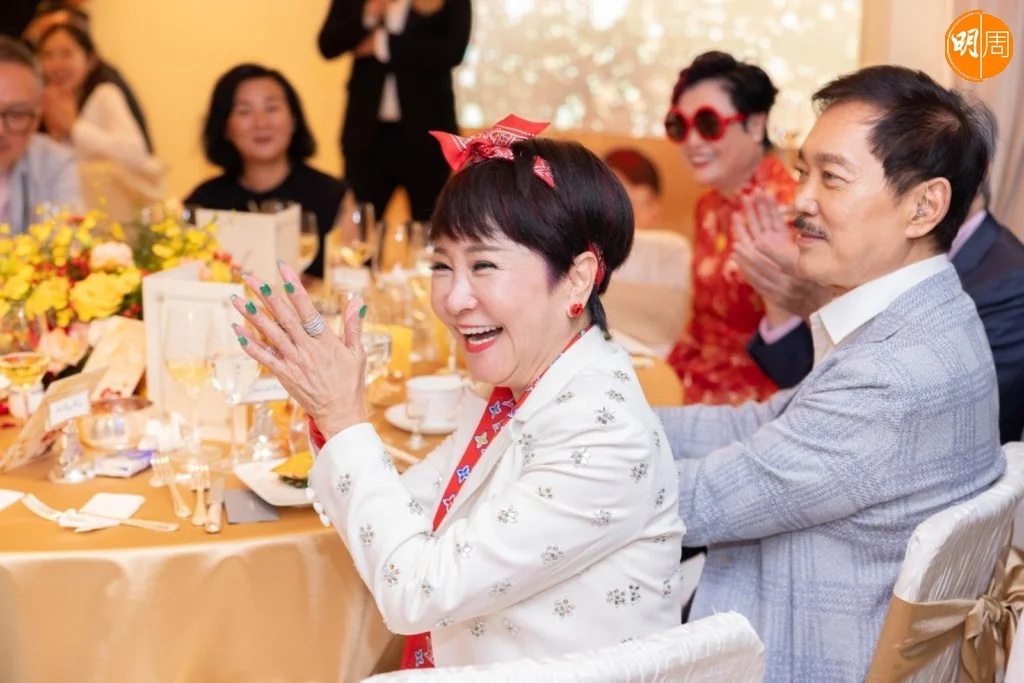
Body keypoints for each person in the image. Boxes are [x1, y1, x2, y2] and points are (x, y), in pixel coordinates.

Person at [230, 116, 684, 669]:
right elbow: (409, 513)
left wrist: (344, 416)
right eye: (442, 265)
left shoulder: (602, 434)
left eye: (484, 264)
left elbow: (416, 591)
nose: (453, 298)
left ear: (576, 278)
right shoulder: (518, 390)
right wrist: (332, 414)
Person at [659, 65, 1004, 681]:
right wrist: (610, 420)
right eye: (802, 173)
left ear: (924, 206)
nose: (800, 201)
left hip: (796, 652)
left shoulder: (895, 374)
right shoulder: (927, 318)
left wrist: (560, 453)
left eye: (832, 178)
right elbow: (763, 423)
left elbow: (702, 503)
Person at [740, 172, 1024, 444]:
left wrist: (822, 303)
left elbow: (933, 425)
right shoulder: (879, 250)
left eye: (832, 177)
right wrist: (780, 303)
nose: (805, 199)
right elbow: (812, 395)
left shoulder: (1013, 282)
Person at [662, 51, 792, 405]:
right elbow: (700, 324)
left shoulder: (791, 209)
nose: (692, 141)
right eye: (679, 125)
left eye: (708, 124)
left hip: (757, 405)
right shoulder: (708, 206)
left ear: (756, 125)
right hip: (696, 388)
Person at [185, 64, 349, 280]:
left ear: (294, 119)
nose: (261, 123)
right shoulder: (204, 202)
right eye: (244, 112)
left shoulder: (332, 195)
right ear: (225, 127)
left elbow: (352, 280)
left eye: (272, 108)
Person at [317, 0, 471, 222]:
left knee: (430, 225)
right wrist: (370, 12)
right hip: (366, 135)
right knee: (361, 224)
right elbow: (328, 45)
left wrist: (382, 44)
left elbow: (452, 50)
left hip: (427, 133)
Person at [35, 23, 162, 216]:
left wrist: (74, 128)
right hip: (66, 215)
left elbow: (136, 152)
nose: (56, 64)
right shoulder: (37, 104)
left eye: (66, 54)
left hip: (111, 215)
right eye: (48, 55)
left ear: (90, 60)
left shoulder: (104, 95)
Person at [601, 147, 691, 357]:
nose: (622, 217)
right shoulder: (577, 249)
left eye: (635, 205)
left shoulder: (673, 250)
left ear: (655, 208)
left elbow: (667, 324)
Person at [0, 35, 80, 234]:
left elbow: (71, 241)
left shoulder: (55, 163)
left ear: (38, 116)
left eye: (16, 114)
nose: (0, 130)